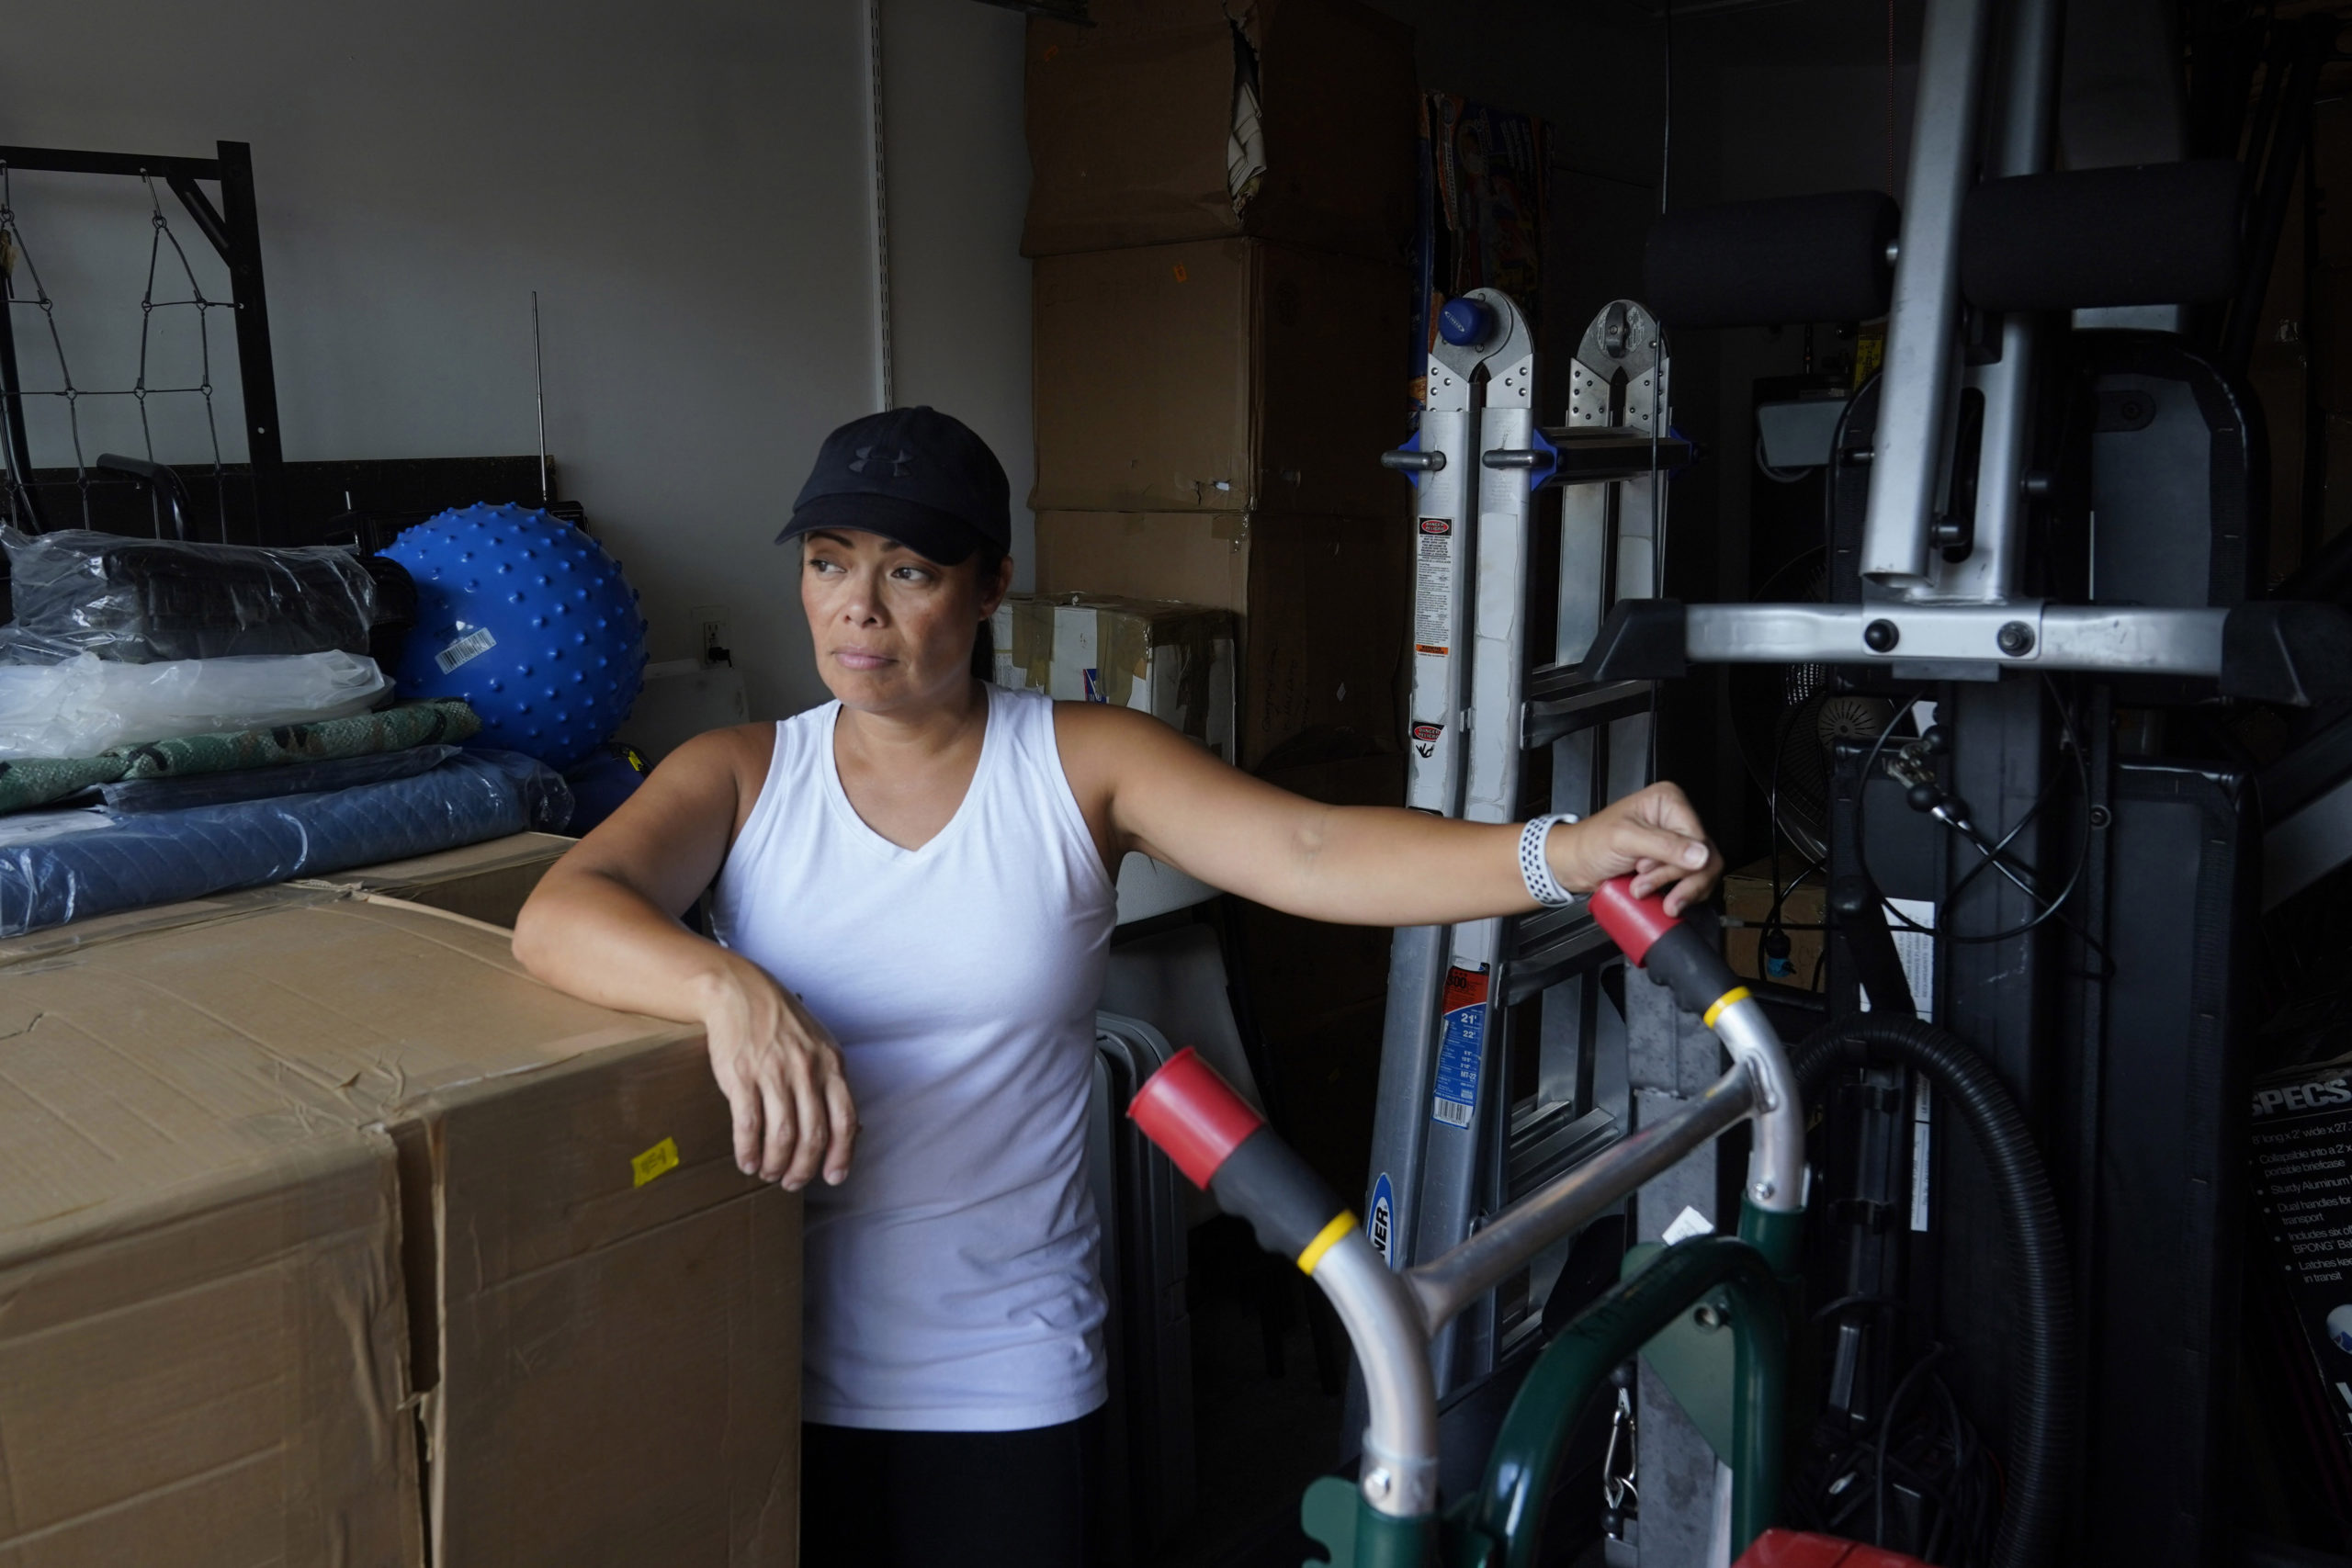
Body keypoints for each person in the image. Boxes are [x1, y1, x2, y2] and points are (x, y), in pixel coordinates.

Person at [512, 406, 1723, 1568]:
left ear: (991, 585)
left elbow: (1308, 852)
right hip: (774, 1362)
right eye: (830, 565)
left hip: (1006, 1370)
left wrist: (1562, 852)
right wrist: (728, 989)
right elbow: (561, 913)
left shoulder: (1076, 762)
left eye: (908, 572)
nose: (856, 609)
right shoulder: (741, 773)